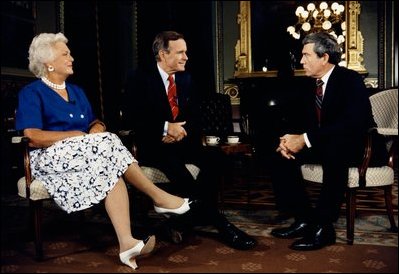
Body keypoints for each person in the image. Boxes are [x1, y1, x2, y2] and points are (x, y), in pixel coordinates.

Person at [15, 32, 195, 270]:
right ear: (48, 63)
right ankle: (159, 197)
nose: (71, 58)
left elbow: (94, 122)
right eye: (65, 54)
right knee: (109, 143)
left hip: (87, 153)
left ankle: (127, 243)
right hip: (50, 157)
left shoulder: (76, 91)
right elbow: (32, 136)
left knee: (111, 169)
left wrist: (96, 128)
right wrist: (77, 136)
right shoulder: (32, 92)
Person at [122, 30, 256, 250]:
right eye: (180, 52)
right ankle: (223, 226)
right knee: (182, 175)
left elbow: (195, 117)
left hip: (183, 142)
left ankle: (179, 221)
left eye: (186, 52)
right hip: (154, 146)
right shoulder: (139, 78)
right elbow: (131, 117)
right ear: (163, 55)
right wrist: (165, 128)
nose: (186, 57)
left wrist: (181, 131)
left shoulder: (186, 78)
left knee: (217, 158)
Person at [269, 31, 386, 251]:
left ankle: (324, 227)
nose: (301, 60)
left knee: (336, 149)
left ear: (324, 57)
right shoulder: (307, 85)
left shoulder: (349, 80)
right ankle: (303, 217)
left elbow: (352, 125)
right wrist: (289, 139)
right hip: (325, 144)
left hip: (360, 146)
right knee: (279, 153)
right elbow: (300, 122)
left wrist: (304, 138)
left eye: (306, 55)